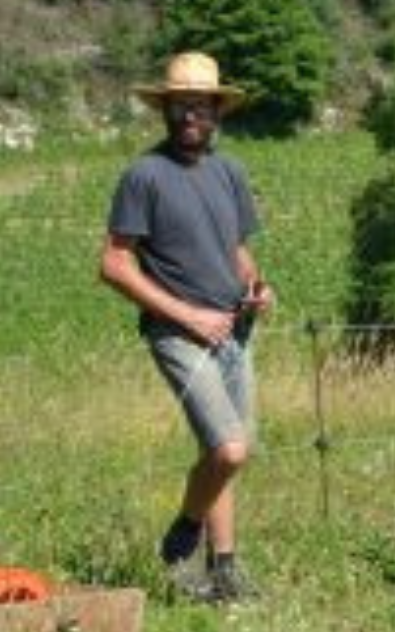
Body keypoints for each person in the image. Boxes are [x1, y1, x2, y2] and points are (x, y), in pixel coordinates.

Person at [100, 52, 276, 603]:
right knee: (228, 450)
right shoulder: (143, 176)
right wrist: (187, 316)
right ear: (165, 110)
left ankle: (223, 571)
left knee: (225, 454)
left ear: (217, 110)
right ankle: (181, 538)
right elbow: (113, 263)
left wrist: (258, 287)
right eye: (180, 105)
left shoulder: (230, 172)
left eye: (200, 105)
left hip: (234, 332)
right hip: (179, 334)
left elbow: (236, 249)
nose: (189, 115)